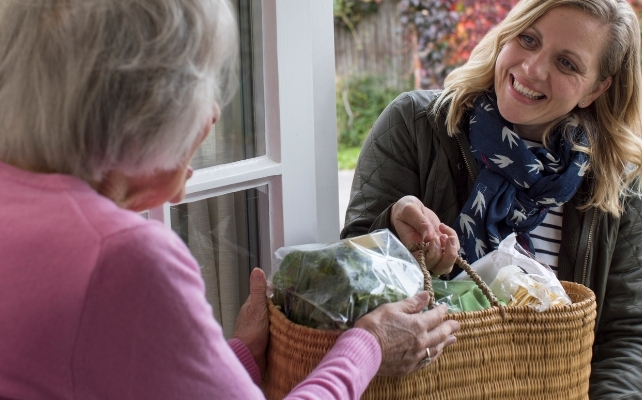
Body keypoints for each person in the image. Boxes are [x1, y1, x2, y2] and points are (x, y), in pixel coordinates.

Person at [0, 0, 461, 399]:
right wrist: (370, 344)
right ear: (145, 105)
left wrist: (238, 355)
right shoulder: (123, 256)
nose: (215, 113)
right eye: (204, 82)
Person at [342, 0, 642, 397]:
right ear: (506, 36)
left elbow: (626, 337)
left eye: (567, 63)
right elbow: (345, 281)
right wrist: (392, 235)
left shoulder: (618, 184)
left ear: (596, 88)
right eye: (528, 39)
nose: (533, 69)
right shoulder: (415, 127)